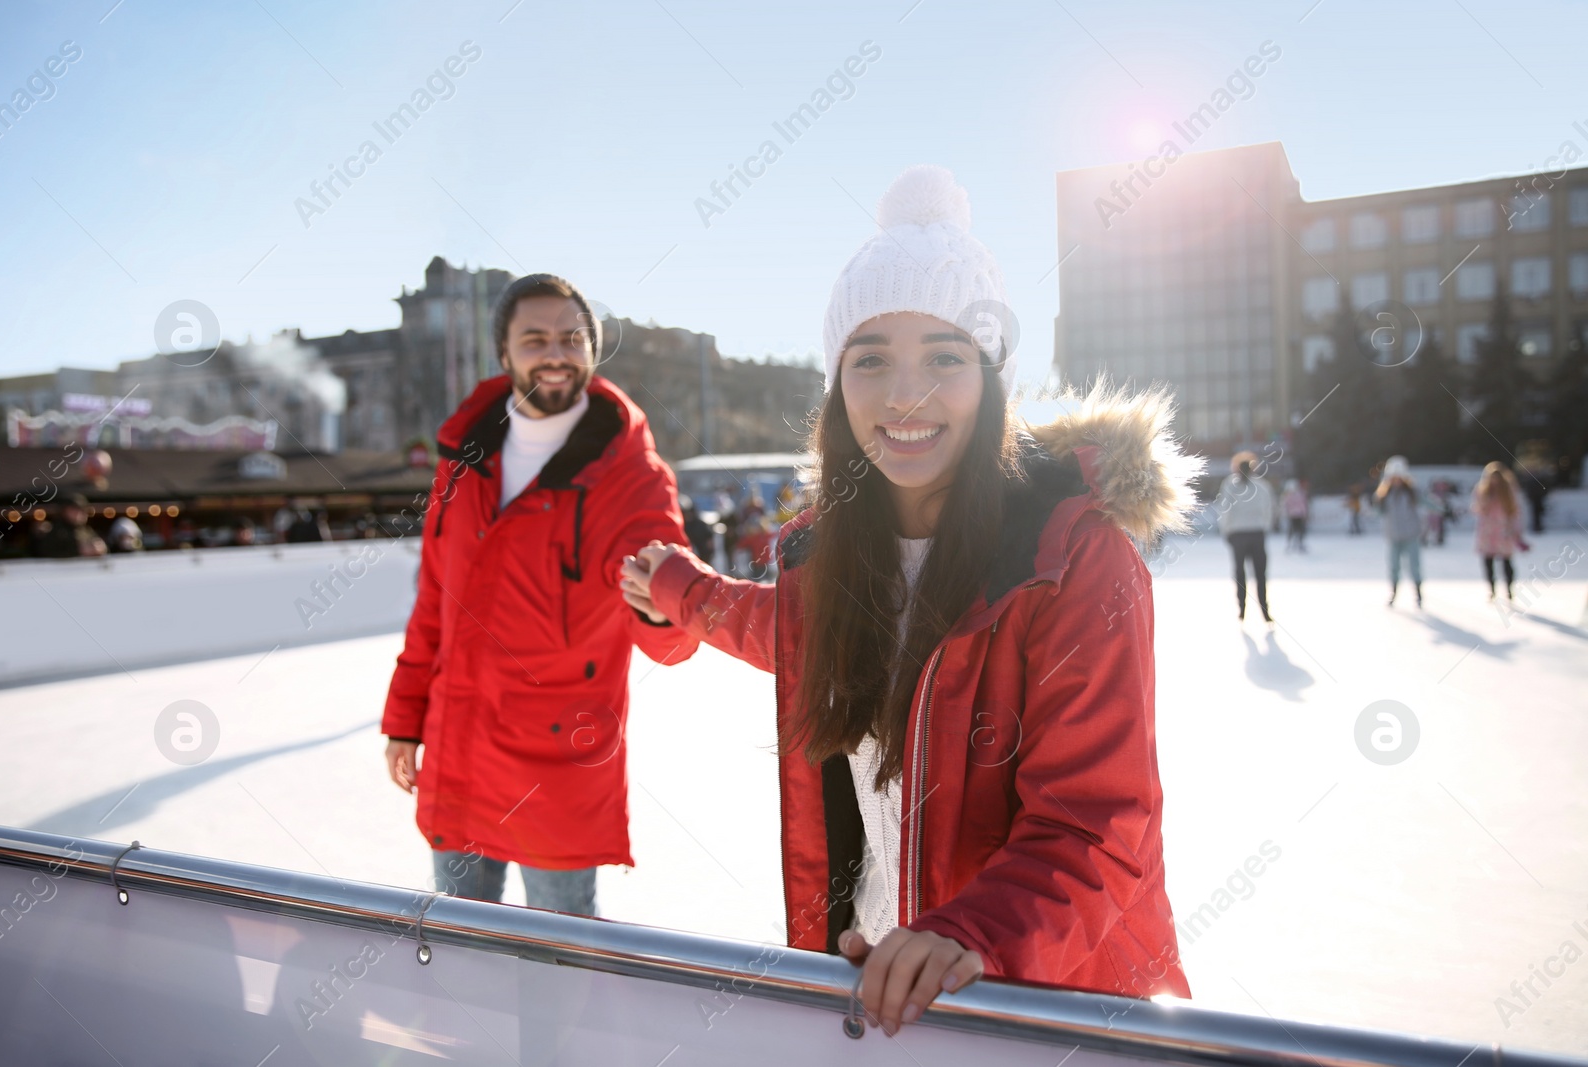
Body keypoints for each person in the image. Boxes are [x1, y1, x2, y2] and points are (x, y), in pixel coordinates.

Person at [620, 167, 1193, 1034]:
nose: (904, 394)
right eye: (872, 359)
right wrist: (679, 588)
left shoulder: (1075, 559)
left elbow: (1097, 827)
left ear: (992, 377)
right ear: (836, 386)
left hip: (1051, 1002)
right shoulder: (832, 561)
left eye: (945, 357)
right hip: (886, 981)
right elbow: (780, 629)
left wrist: (972, 933)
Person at [381, 274, 696, 916]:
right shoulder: (463, 458)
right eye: (535, 338)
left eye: (571, 338)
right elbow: (434, 603)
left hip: (556, 767)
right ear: (505, 353)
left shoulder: (629, 472)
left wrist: (663, 605)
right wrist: (405, 719)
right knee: (463, 958)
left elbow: (662, 586)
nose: (555, 353)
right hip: (459, 749)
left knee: (562, 965)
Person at [1216, 453, 1276, 623]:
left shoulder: (1230, 485)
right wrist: (1264, 527)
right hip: (1257, 533)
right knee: (1260, 574)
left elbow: (1224, 510)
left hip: (1238, 534)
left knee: (1240, 573)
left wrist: (1226, 531)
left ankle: (1242, 609)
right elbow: (1269, 509)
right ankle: (1264, 610)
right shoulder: (1262, 486)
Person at [1470, 461, 1528, 600]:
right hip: (1488, 532)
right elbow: (1476, 508)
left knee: (1506, 562)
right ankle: (1492, 589)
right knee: (1488, 563)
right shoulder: (1482, 490)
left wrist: (1516, 531)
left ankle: (1509, 589)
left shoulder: (1509, 491)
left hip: (1504, 531)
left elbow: (1516, 512)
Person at [1376, 455, 1422, 608]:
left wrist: (1443, 508)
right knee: (1393, 566)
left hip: (1410, 535)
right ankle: (1394, 592)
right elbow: (1377, 512)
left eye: (1399, 477)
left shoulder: (1412, 492)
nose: (1396, 480)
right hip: (1393, 535)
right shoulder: (1384, 494)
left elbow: (1427, 502)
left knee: (1414, 565)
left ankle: (1418, 593)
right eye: (1393, 477)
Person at [33, 494, 106, 558]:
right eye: (74, 510)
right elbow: (46, 553)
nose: (79, 514)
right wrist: (78, 551)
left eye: (82, 510)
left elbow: (102, 548)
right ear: (64, 511)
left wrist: (101, 548)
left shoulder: (87, 531)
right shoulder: (56, 532)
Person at [1280, 478, 1309, 553]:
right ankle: (1295, 543)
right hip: (1296, 515)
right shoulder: (1298, 495)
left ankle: (1295, 543)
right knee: (1297, 529)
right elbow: (1303, 505)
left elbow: (1302, 505)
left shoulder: (1294, 495)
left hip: (1295, 515)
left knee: (1295, 529)